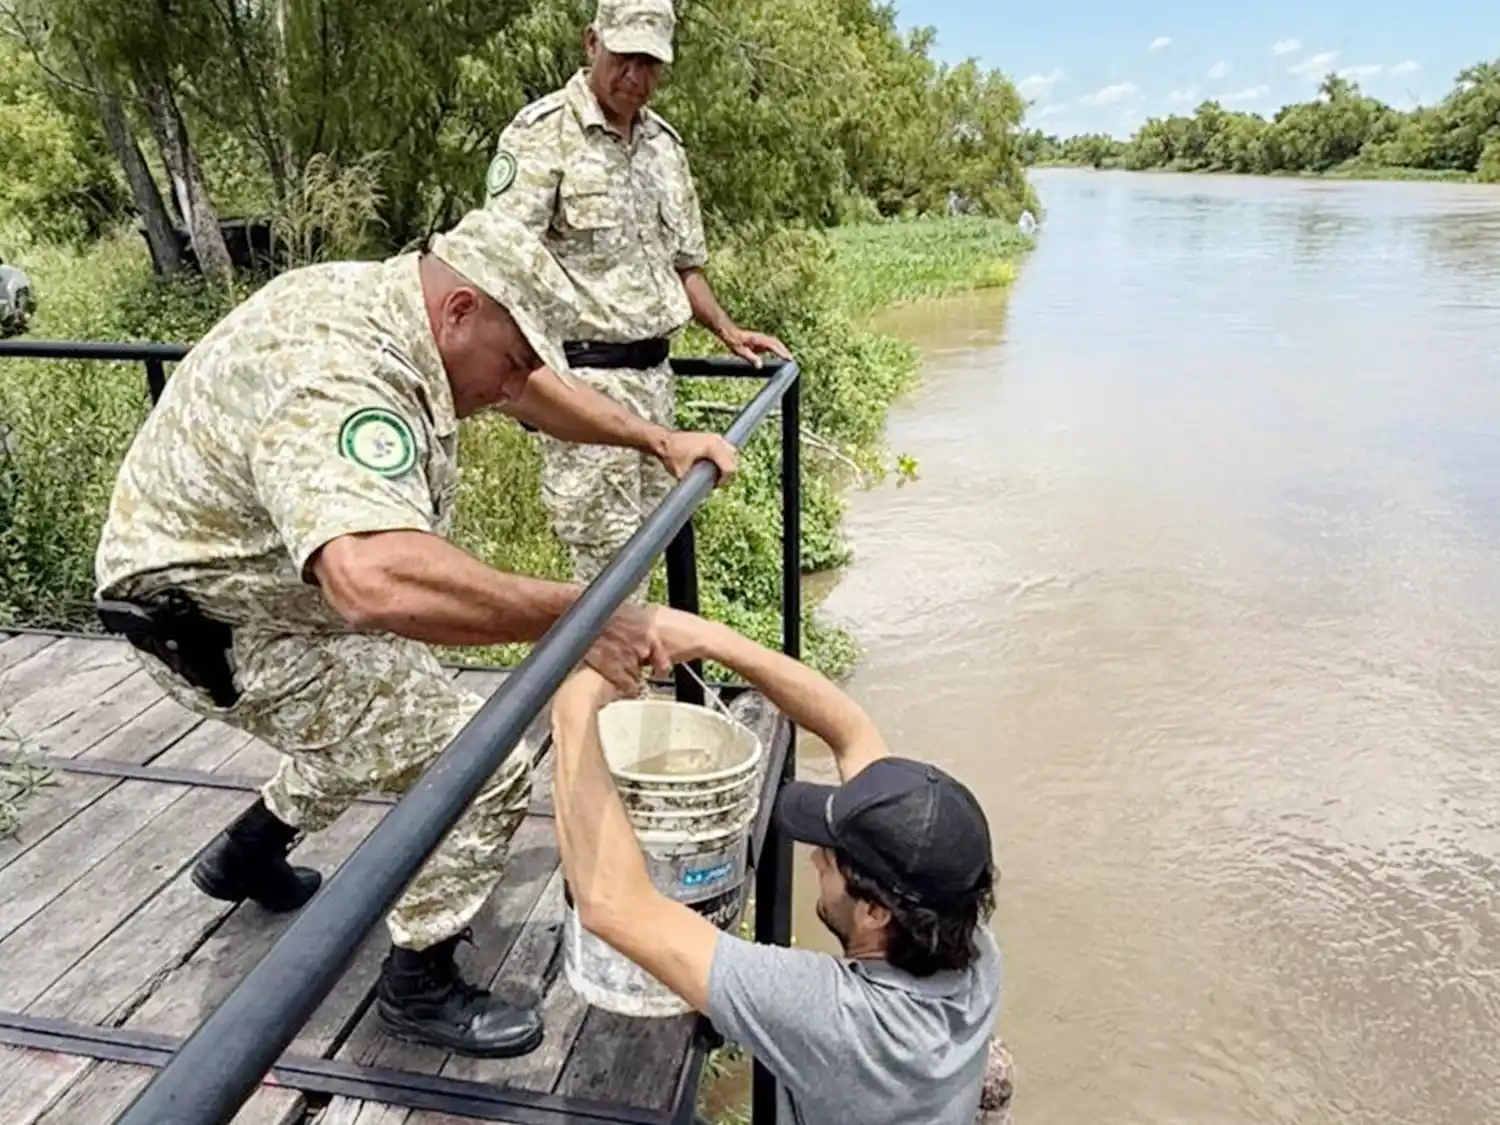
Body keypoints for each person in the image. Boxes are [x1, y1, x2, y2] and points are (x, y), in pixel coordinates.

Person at [91, 206, 735, 1058]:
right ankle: (420, 980)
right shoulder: (339, 369)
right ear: (461, 310)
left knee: (376, 714)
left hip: (269, 593)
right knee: (481, 757)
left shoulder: (406, 304)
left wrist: (653, 437)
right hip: (216, 627)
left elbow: (531, 384)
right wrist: (584, 615)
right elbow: (371, 578)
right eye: (508, 364)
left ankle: (249, 851)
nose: (510, 391)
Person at [549, 608, 1003, 1124]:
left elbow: (613, 905)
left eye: (832, 858)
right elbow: (851, 730)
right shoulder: (971, 940)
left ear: (877, 911)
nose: (816, 858)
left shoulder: (837, 1016)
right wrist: (713, 640)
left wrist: (573, 708)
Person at [482, 0, 792, 598]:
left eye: (651, 64)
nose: (636, 77)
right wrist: (521, 386)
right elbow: (499, 270)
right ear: (591, 42)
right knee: (604, 583)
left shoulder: (663, 147)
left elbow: (684, 265)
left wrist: (727, 331)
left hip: (656, 383)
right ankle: (594, 689)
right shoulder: (543, 136)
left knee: (649, 557)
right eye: (625, 58)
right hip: (585, 389)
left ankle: (633, 684)